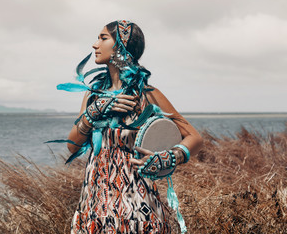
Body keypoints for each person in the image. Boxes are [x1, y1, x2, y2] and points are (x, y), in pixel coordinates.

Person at [59, 20, 203, 234]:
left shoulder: (147, 93)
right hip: (96, 202)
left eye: (103, 38)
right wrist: (94, 112)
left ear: (121, 46)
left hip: (137, 204)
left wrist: (167, 158)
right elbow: (72, 146)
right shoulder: (93, 95)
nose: (95, 45)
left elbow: (194, 137)